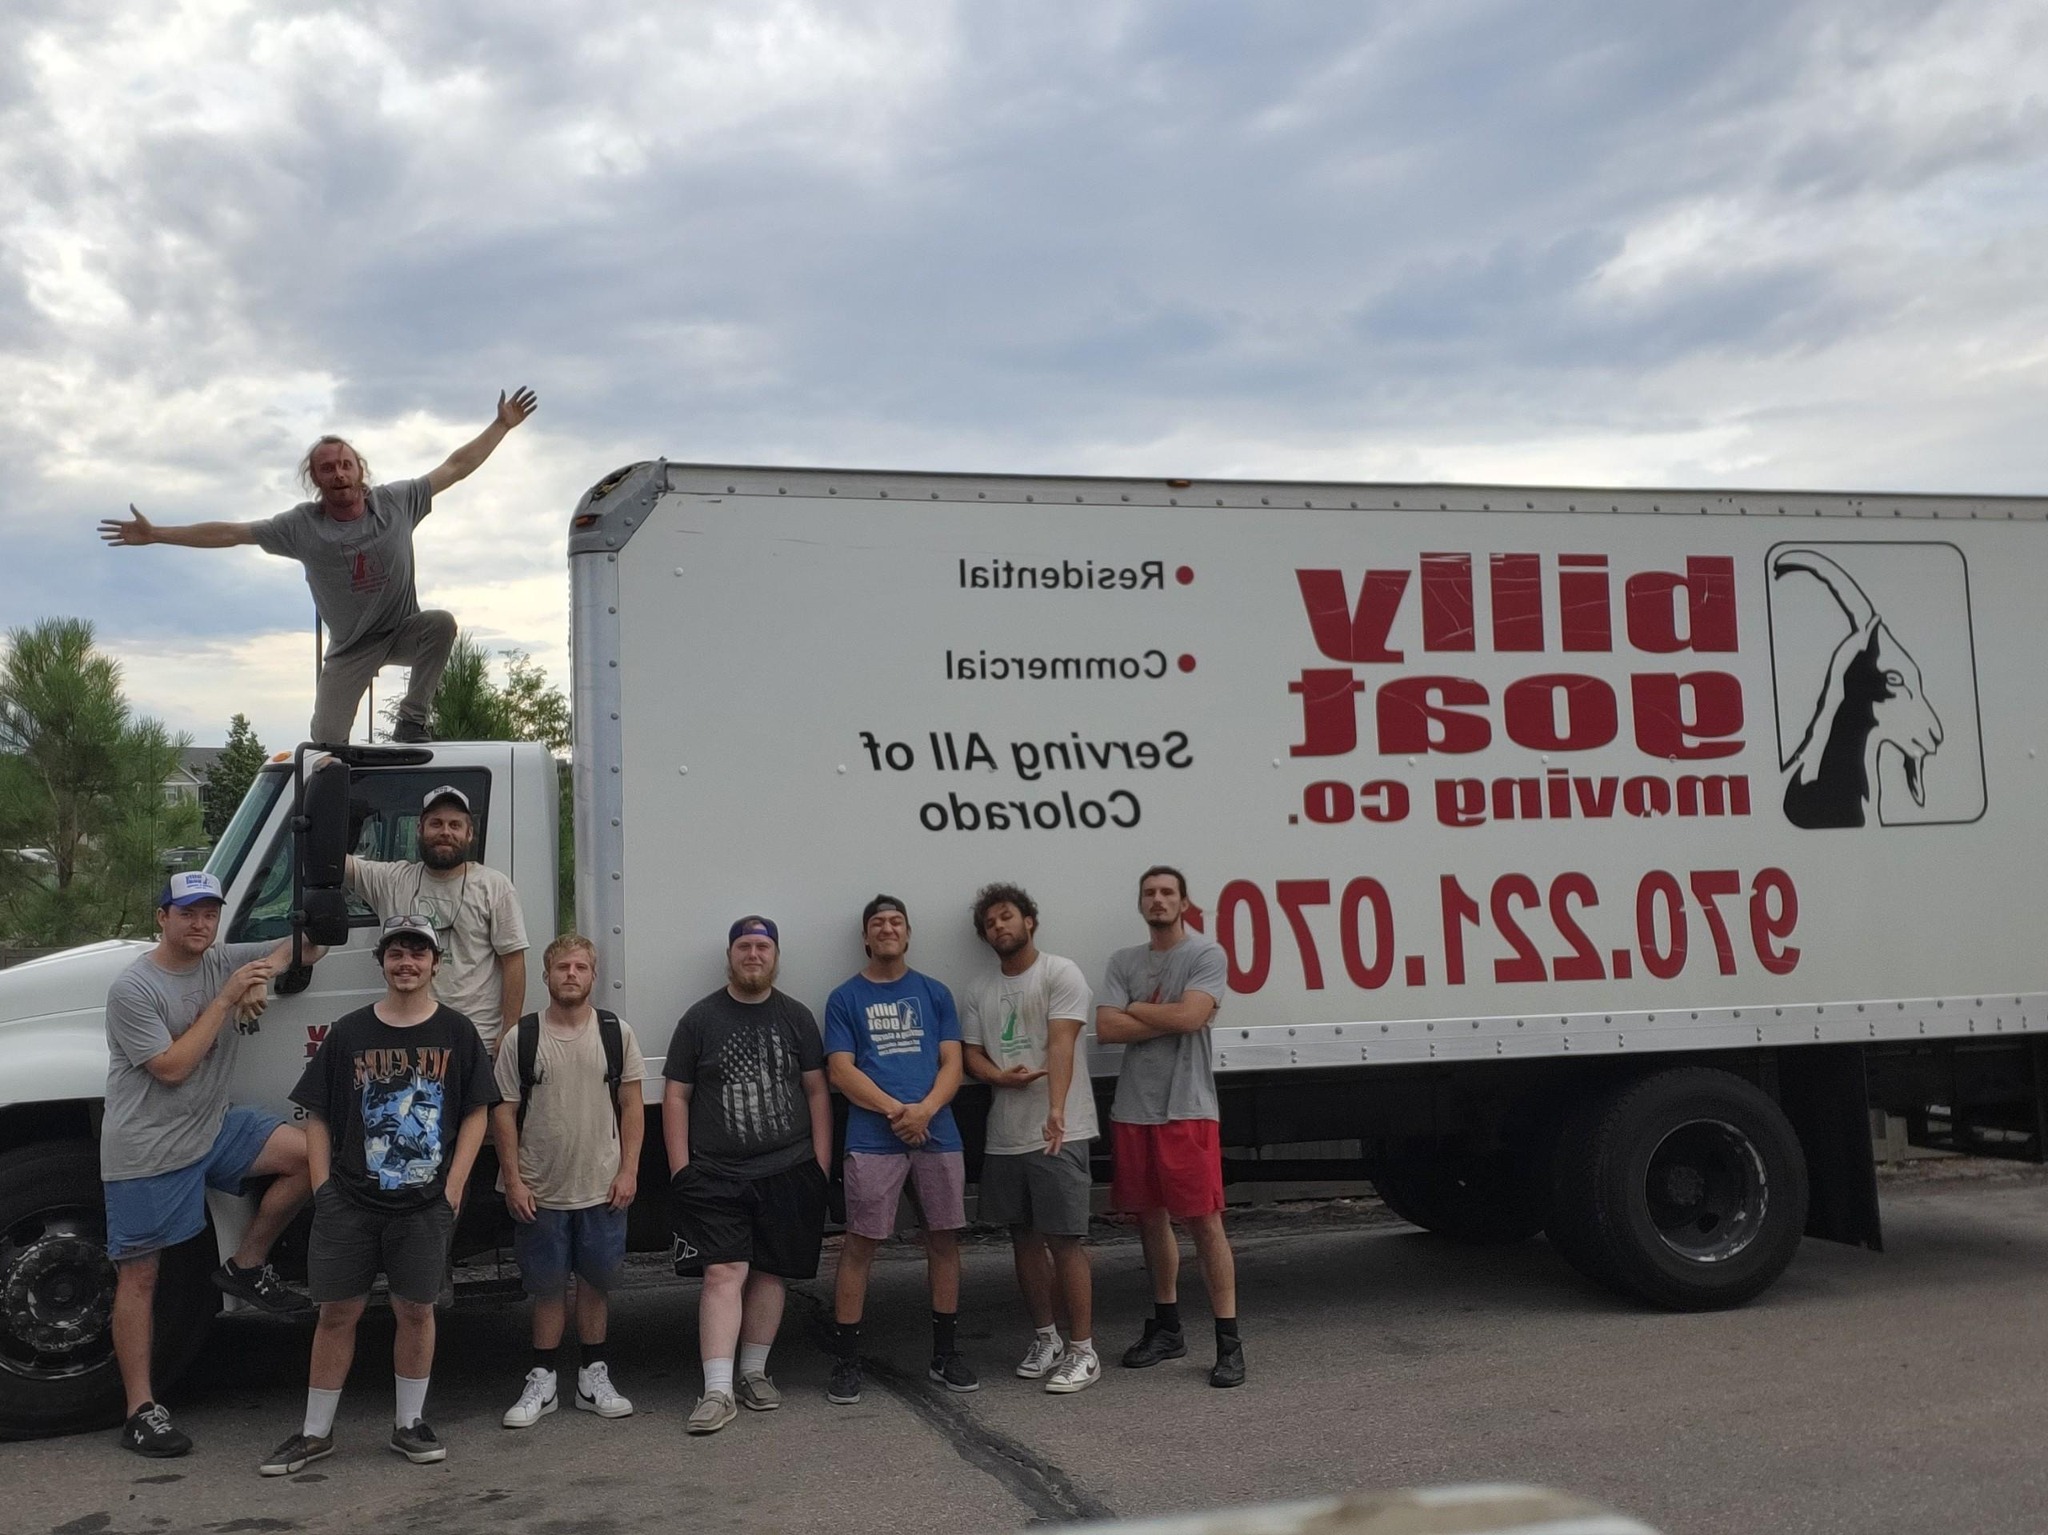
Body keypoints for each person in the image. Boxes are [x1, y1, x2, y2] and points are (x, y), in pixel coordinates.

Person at [97, 387, 537, 744]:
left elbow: (456, 467)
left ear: (360, 471)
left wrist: (501, 425)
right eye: (328, 469)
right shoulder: (301, 527)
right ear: (316, 479)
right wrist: (157, 534)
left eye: (346, 465)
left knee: (440, 623)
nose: (339, 473)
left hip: (402, 629)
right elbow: (230, 533)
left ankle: (412, 721)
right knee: (325, 744)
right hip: (350, 648)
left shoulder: (398, 502)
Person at [258, 913, 498, 1476]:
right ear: (382, 963)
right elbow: (316, 1115)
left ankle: (409, 1424)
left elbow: (476, 1114)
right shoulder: (349, 1032)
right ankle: (315, 1432)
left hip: (424, 1204)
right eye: (396, 954)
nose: (407, 963)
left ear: (436, 963)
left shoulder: (457, 1033)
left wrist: (454, 1187)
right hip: (351, 1200)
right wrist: (322, 1187)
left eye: (418, 953)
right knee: (337, 1312)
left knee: (415, 1310)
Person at [101, 871, 326, 1458]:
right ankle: (140, 1410)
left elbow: (311, 943)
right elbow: (171, 1068)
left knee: (312, 1154)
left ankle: (247, 1263)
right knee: (141, 1276)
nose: (201, 924)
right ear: (162, 918)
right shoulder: (135, 989)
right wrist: (230, 997)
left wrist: (264, 973)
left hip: (212, 1126)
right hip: (147, 1148)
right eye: (188, 913)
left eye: (209, 913)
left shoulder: (220, 958)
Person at [663, 917, 832, 1435]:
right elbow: (676, 1095)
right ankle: (716, 1390)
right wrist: (681, 1170)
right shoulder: (700, 1019)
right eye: (744, 946)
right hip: (715, 1173)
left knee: (770, 1271)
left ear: (775, 955)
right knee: (722, 1273)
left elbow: (817, 1092)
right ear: (730, 955)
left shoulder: (797, 1017)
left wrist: (820, 1167)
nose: (753, 954)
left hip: (788, 1168)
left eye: (762, 946)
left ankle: (754, 1374)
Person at [1096, 865, 1244, 1388]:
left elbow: (1191, 1018)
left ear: (1184, 902)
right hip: (1134, 1109)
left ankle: (1229, 1342)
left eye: (1167, 893)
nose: (1158, 900)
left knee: (1204, 1222)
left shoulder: (1206, 954)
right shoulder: (1123, 960)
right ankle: (1167, 1328)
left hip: (1188, 1107)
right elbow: (1106, 1028)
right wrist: (1163, 1012)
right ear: (1141, 904)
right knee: (1150, 1220)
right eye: (1149, 893)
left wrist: (1136, 1008)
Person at [823, 895, 973, 1403]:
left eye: (896, 922)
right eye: (877, 924)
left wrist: (925, 1110)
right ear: (866, 937)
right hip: (873, 1138)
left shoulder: (934, 993)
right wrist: (898, 1112)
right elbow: (841, 1070)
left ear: (907, 934)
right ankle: (846, 1360)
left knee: (944, 1240)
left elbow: (952, 1063)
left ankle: (946, 1354)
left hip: (938, 1132)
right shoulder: (844, 998)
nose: (887, 929)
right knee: (860, 1245)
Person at [494, 934, 645, 1429]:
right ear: (546, 975)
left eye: (581, 967)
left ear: (593, 976)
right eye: (563, 967)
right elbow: (504, 1112)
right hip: (541, 1189)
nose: (572, 975)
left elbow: (631, 1106)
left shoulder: (614, 1033)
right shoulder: (523, 1036)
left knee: (596, 1283)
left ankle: (592, 1376)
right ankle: (542, 1380)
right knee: (547, 1287)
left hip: (601, 1187)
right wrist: (513, 1181)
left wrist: (629, 1171)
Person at [961, 882, 1103, 1395]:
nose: (1000, 927)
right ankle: (1046, 1339)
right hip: (1006, 1136)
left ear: (1030, 922)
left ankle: (1083, 1350)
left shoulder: (1060, 972)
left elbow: (1063, 1043)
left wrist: (1058, 1109)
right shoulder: (978, 989)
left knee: (1065, 1241)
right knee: (1022, 1238)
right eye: (991, 923)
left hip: (1059, 1132)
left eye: (1007, 918)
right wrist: (1000, 1078)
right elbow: (972, 1056)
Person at [346, 784, 528, 1052]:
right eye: (436, 823)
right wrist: (325, 784)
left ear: (469, 834)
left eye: (455, 825)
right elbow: (331, 862)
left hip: (477, 1042)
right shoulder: (391, 881)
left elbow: (513, 961)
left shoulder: (494, 886)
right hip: (407, 1038)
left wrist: (509, 1032)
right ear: (420, 829)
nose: (445, 832)